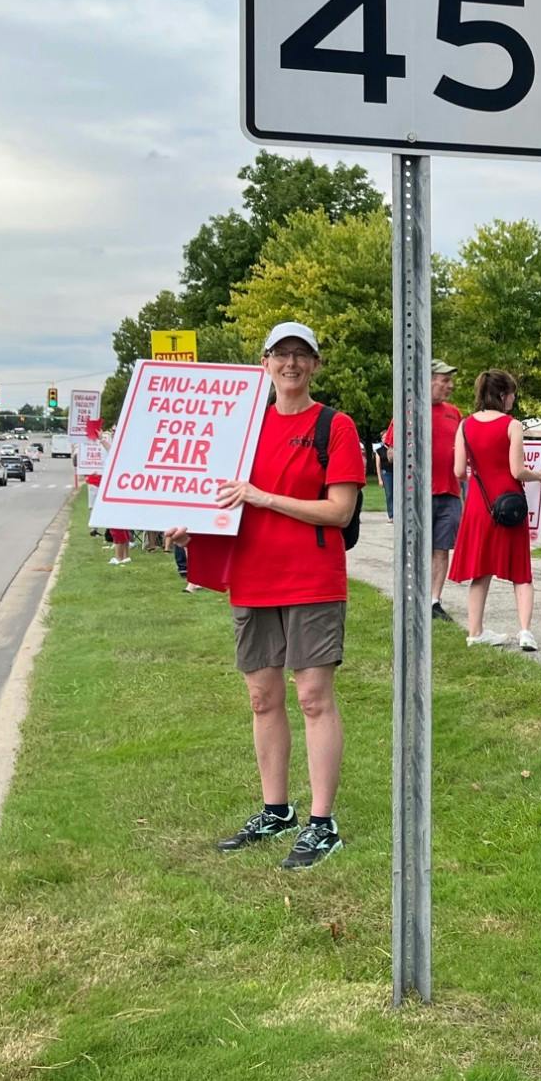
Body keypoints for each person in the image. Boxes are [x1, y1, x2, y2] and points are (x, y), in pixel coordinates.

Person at [175, 322, 365, 872]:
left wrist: (264, 497)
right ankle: (275, 810)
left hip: (311, 576)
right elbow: (219, 499)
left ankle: (322, 823)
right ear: (264, 363)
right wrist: (190, 528)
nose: (290, 364)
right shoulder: (240, 428)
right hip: (253, 578)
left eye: (301, 356)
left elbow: (340, 511)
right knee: (262, 696)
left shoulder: (336, 425)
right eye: (281, 355)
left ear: (315, 366)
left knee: (312, 695)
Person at [450, 369, 541, 652]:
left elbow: (459, 470)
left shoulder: (464, 425)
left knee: (480, 572)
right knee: (521, 571)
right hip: (508, 504)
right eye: (512, 394)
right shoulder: (512, 425)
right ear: (503, 395)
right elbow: (517, 470)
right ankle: (526, 632)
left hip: (479, 507)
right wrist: (540, 476)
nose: (513, 399)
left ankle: (475, 631)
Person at [383, 360, 463, 622]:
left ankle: (434, 601)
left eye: (450, 381)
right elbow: (392, 454)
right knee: (416, 549)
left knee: (441, 549)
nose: (450, 386)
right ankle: (413, 599)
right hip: (417, 495)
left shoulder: (454, 413)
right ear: (428, 379)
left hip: (449, 492)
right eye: (445, 380)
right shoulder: (409, 410)